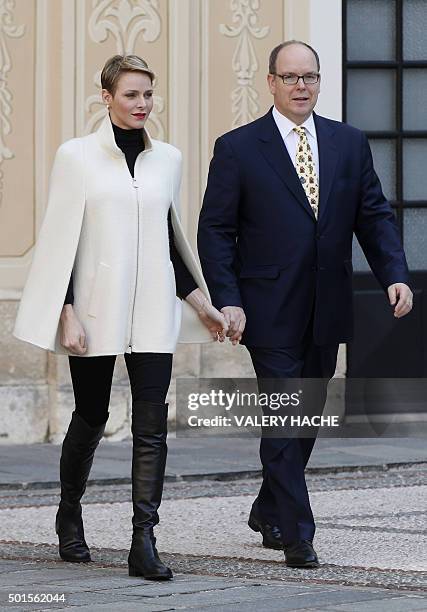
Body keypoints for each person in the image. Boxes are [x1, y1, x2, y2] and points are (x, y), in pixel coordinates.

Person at [198, 40, 413, 568]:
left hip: (327, 301)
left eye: (310, 77)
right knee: (283, 412)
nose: (301, 86)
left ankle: (269, 505)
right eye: (291, 77)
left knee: (307, 413)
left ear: (319, 82)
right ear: (270, 82)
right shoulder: (238, 148)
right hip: (266, 306)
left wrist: (394, 274)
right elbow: (216, 231)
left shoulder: (348, 143)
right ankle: (297, 533)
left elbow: (374, 215)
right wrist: (227, 298)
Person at [14, 54, 227, 581]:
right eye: (131, 95)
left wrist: (201, 303)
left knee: (153, 424)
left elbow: (170, 243)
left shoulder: (168, 159)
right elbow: (61, 241)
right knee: (91, 415)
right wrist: (66, 313)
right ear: (106, 97)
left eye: (148, 95)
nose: (142, 105)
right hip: (93, 310)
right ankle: (69, 511)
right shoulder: (77, 156)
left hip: (154, 310)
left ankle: (143, 540)